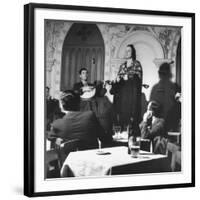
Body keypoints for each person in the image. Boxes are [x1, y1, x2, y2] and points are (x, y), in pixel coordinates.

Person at [111, 44, 143, 129]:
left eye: (129, 51)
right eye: (126, 51)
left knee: (131, 120)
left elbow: (138, 79)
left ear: (132, 52)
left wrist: (129, 78)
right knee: (122, 117)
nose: (127, 52)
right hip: (122, 95)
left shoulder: (136, 64)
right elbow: (119, 78)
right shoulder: (122, 66)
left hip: (132, 95)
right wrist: (117, 80)